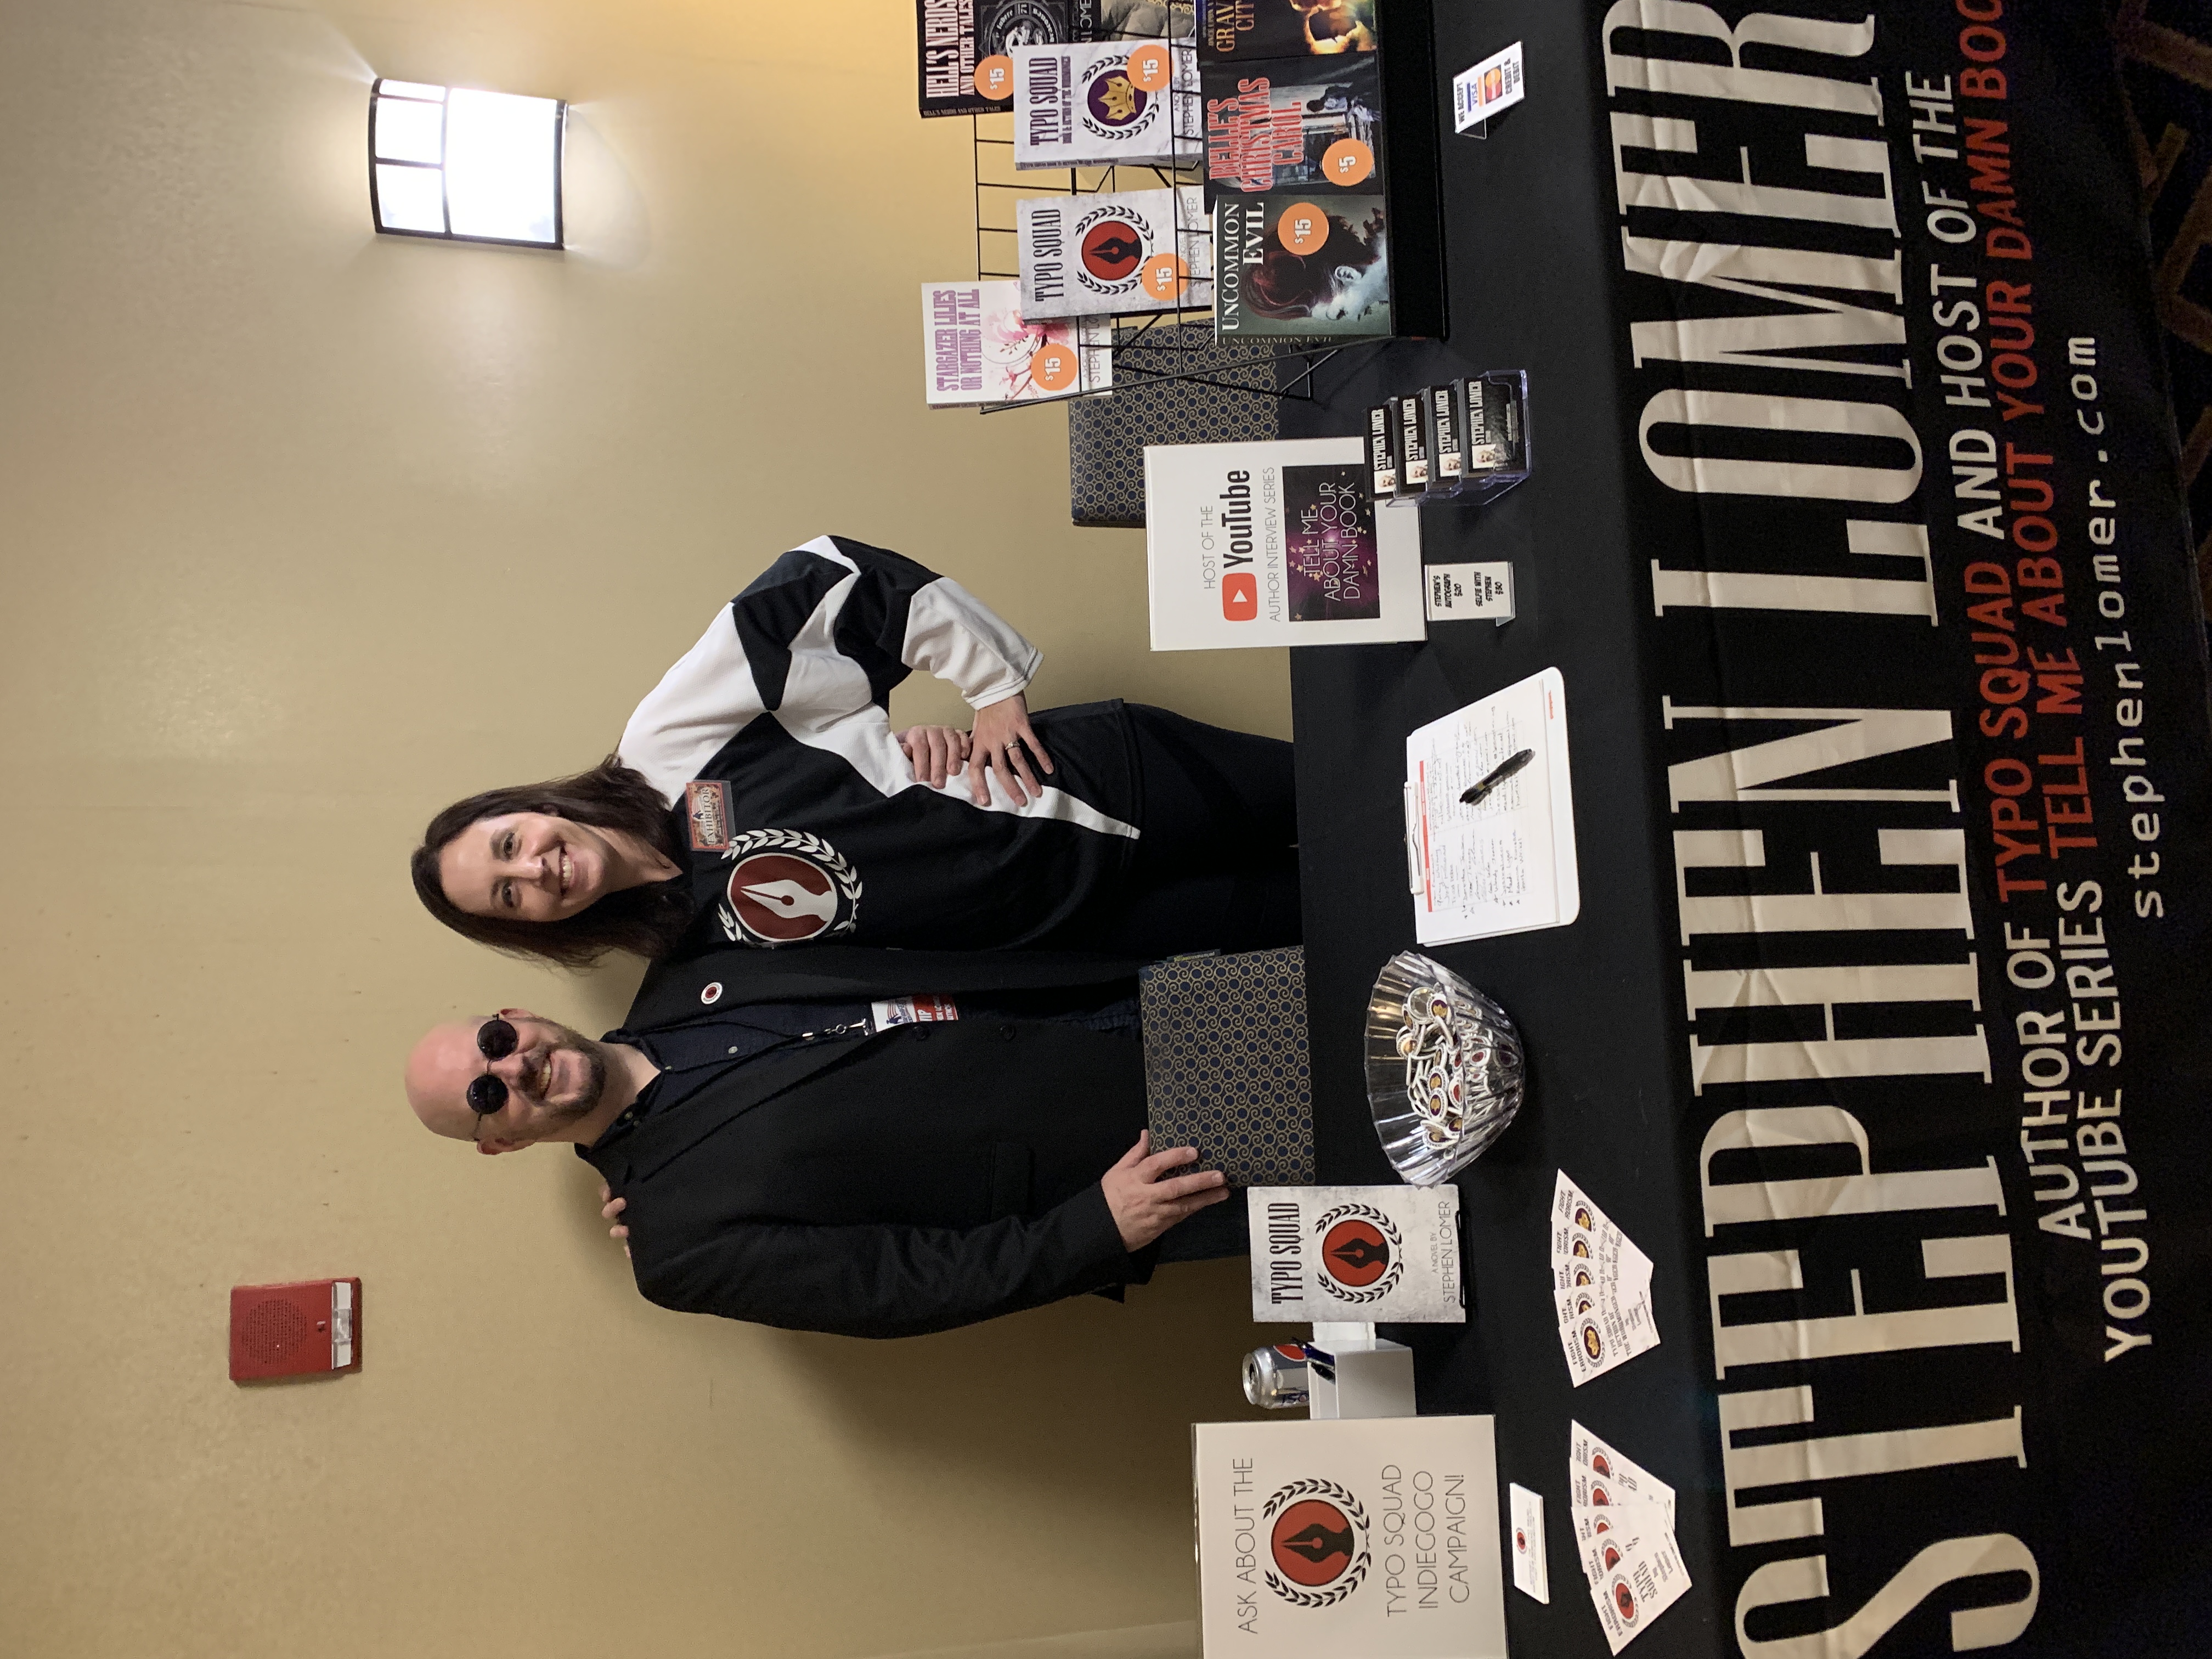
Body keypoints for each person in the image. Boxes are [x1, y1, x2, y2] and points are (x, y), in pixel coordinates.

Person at [411, 534, 1299, 968]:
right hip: (1088, 931)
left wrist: (991, 687)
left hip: (1095, 789)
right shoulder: (682, 947)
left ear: (532, 807)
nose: (535, 869)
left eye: (508, 844)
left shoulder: (664, 745)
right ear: (532, 927)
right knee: (1341, 917)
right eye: (509, 894)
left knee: (1355, 798)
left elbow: (822, 578)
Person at [401, 944, 1243, 1339]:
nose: (515, 1068)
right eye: (486, 1096)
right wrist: (1097, 1228)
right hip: (1131, 1162)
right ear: (499, 1144)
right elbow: (904, 1288)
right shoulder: (676, 1245)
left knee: (1336, 1007)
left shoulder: (685, 972)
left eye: (496, 1044)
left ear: (515, 1015)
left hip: (1133, 988)